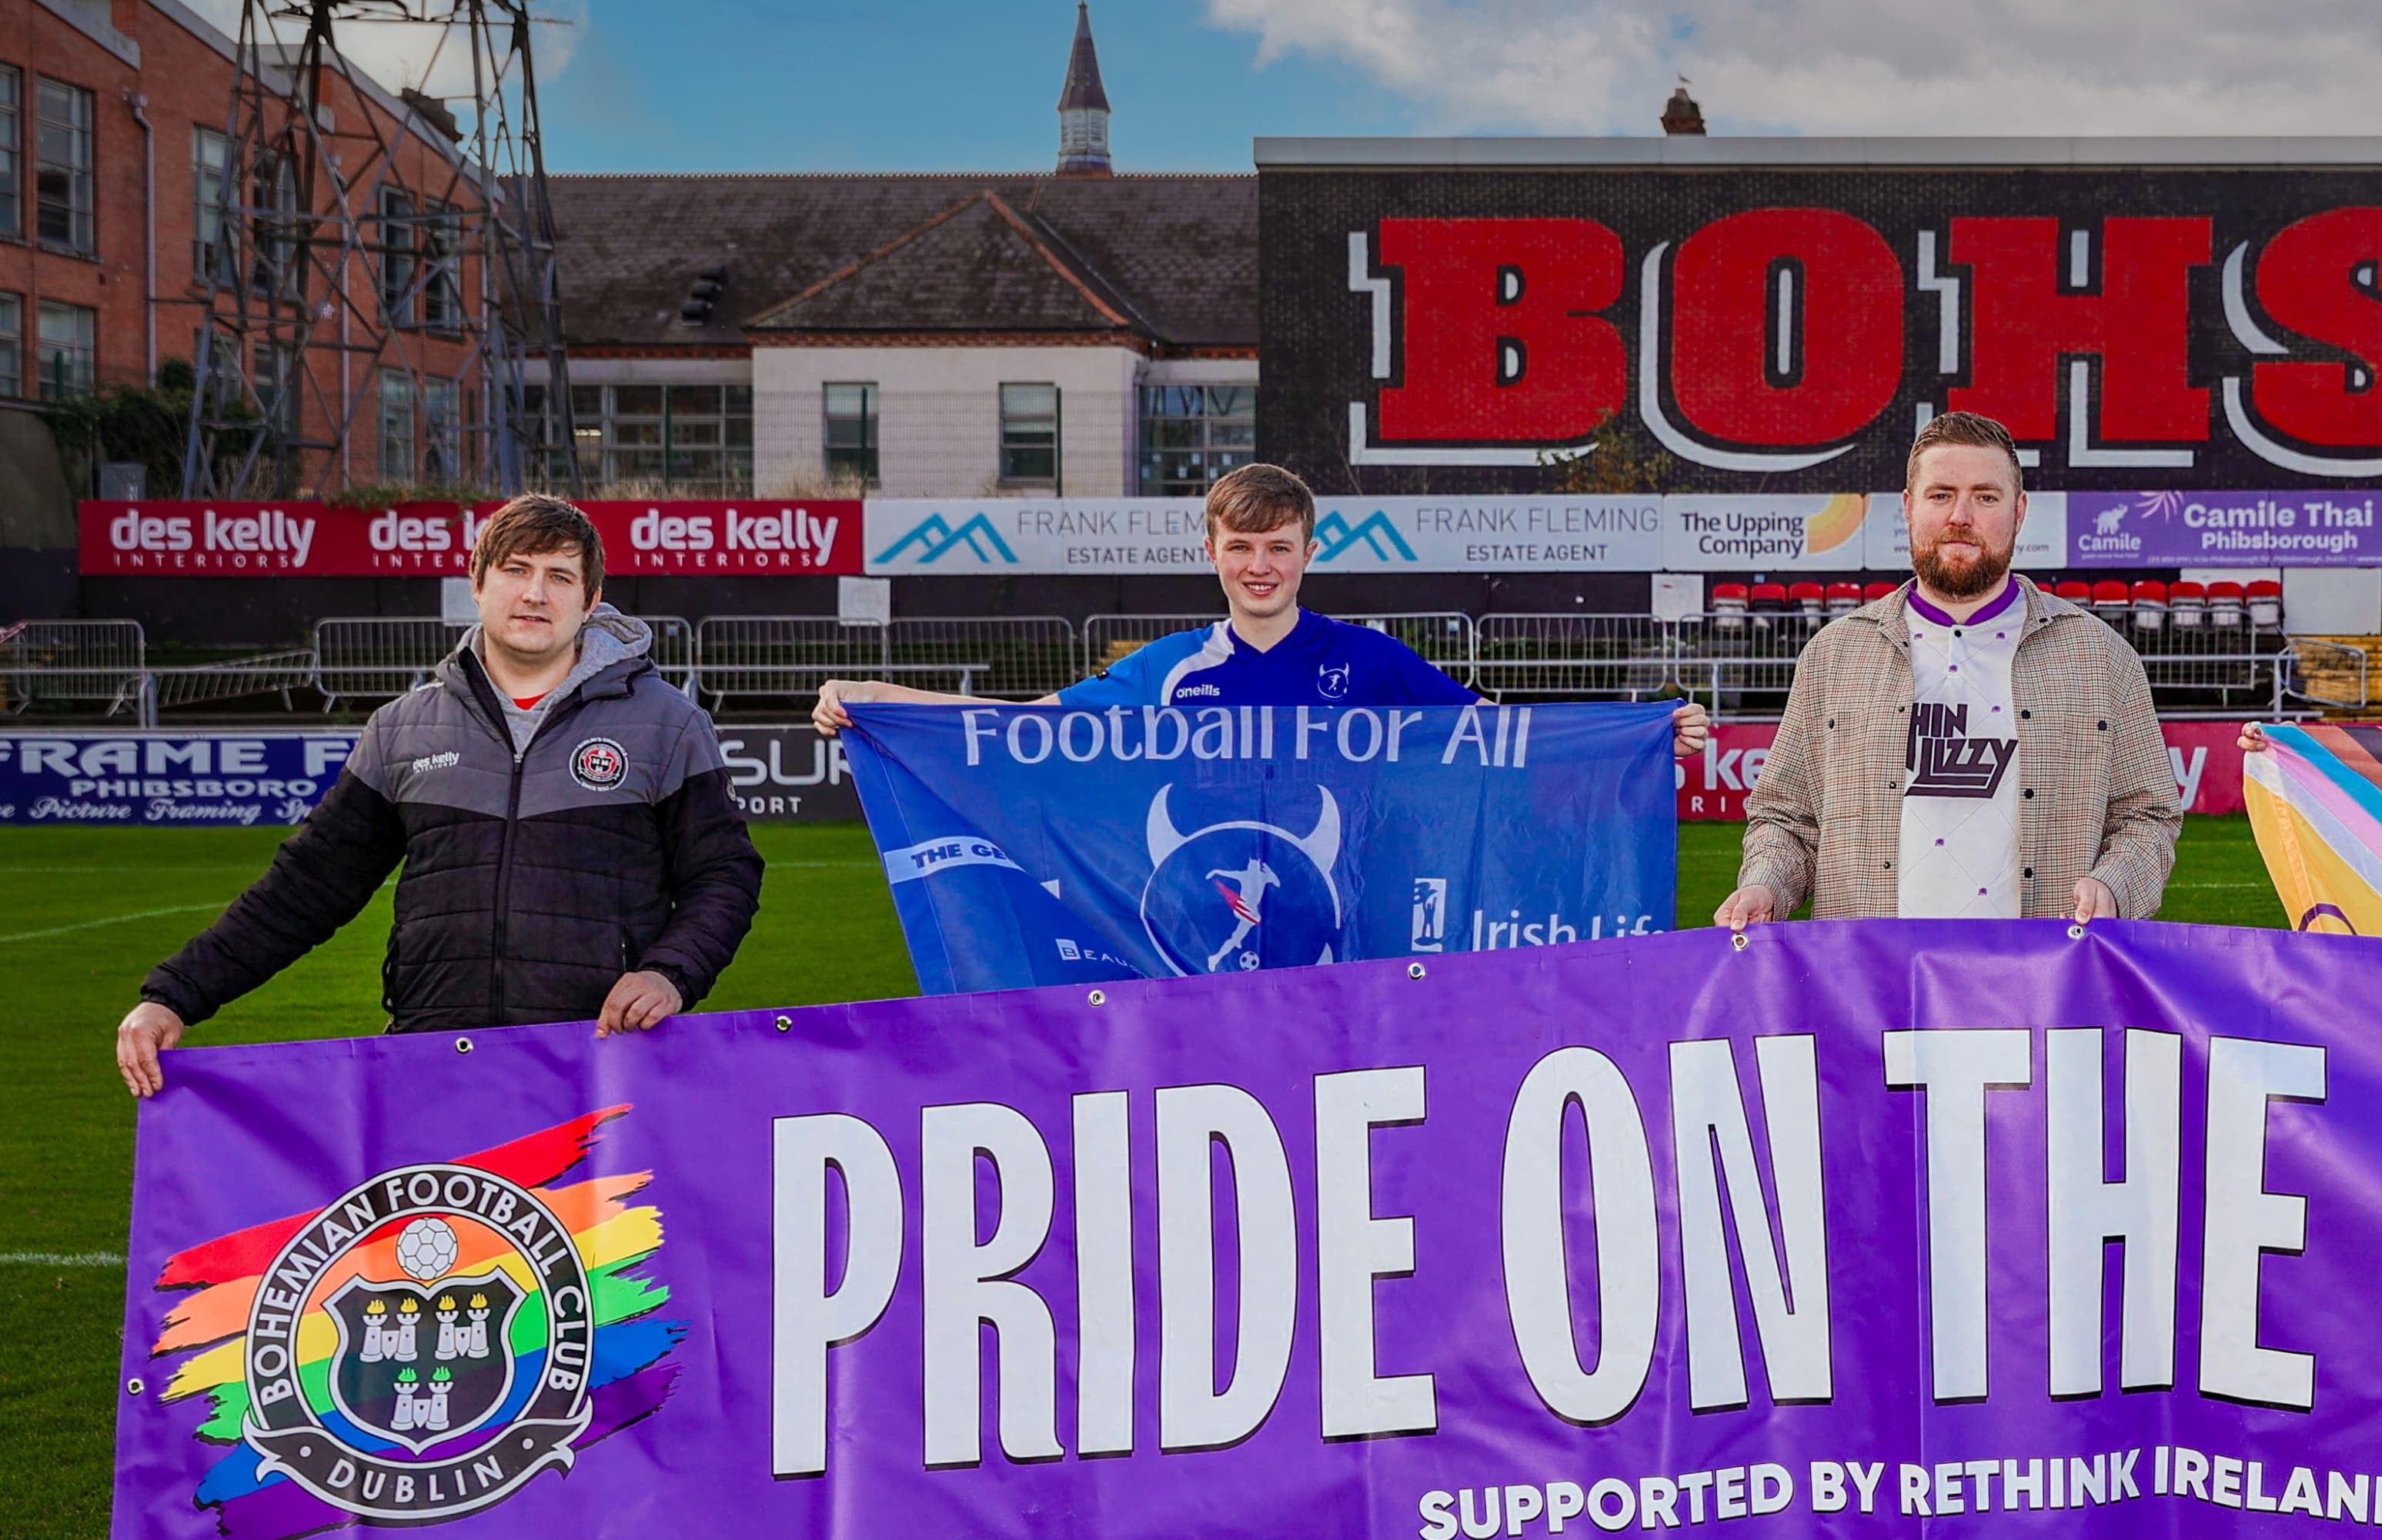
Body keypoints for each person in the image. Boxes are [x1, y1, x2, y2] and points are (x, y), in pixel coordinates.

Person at [1719, 408, 2181, 1540]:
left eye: (1986, 494)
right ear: (1906, 512)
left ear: (2020, 514)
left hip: (2040, 1022)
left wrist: (2115, 886)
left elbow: (2149, 812)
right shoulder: (1842, 655)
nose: (1962, 515)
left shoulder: (2097, 656)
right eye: (1941, 495)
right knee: (1864, 1302)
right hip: (1874, 1027)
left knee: (2052, 1299)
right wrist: (1766, 883)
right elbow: (1785, 815)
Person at [115, 494, 765, 1097]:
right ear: (478, 583)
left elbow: (724, 874)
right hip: (432, 1067)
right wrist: (174, 994)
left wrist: (669, 973)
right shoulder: (403, 729)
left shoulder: (665, 722)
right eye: (516, 569)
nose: (535, 593)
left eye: (560, 577)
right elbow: (306, 888)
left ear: (591, 600)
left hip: (601, 1064)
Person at [812, 461, 1709, 758]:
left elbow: (1506, 735)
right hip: (1205, 923)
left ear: (1310, 553)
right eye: (1240, 547)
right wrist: (873, 695)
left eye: (1278, 546)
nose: (1259, 565)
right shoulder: (1169, 670)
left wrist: (1642, 729)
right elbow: (1020, 726)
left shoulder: (1369, 658)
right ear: (1210, 553)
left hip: (1348, 917)